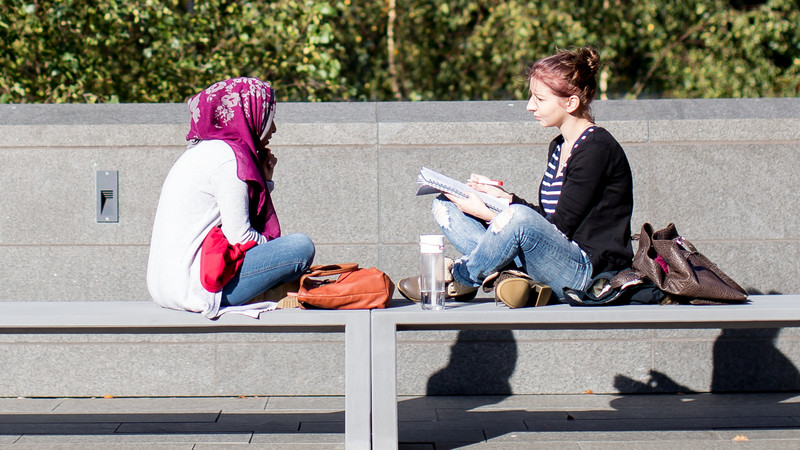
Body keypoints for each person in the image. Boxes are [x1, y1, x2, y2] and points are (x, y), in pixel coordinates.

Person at [398, 46, 633, 306]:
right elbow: (548, 219)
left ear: (571, 102)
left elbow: (559, 228)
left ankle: (461, 277)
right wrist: (505, 199)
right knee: (446, 204)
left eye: (539, 99)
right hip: (551, 254)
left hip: (584, 270)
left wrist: (490, 214)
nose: (530, 106)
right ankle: (510, 276)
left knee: (517, 218)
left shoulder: (596, 149)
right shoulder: (559, 146)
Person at [147, 77, 315, 318]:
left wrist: (265, 182)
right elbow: (241, 236)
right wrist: (275, 252)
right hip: (199, 288)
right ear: (248, 113)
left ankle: (270, 289)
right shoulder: (227, 159)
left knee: (288, 262)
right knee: (300, 247)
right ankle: (270, 292)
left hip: (167, 289)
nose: (274, 128)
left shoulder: (202, 152)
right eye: (268, 116)